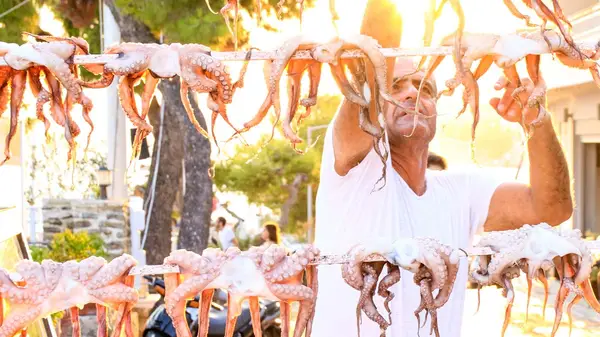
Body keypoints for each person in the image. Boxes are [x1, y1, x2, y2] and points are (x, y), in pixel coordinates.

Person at [311, 1, 573, 337]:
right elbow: (376, 43)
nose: (412, 94)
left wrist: (537, 120)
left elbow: (551, 208)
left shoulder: (460, 192)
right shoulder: (354, 173)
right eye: (396, 85)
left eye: (425, 89)